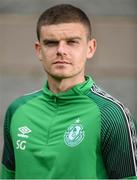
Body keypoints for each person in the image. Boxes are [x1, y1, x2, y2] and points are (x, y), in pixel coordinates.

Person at [0, 4, 137, 179]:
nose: (61, 51)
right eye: (51, 43)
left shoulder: (112, 115)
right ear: (38, 50)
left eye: (72, 42)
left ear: (90, 48)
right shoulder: (17, 110)